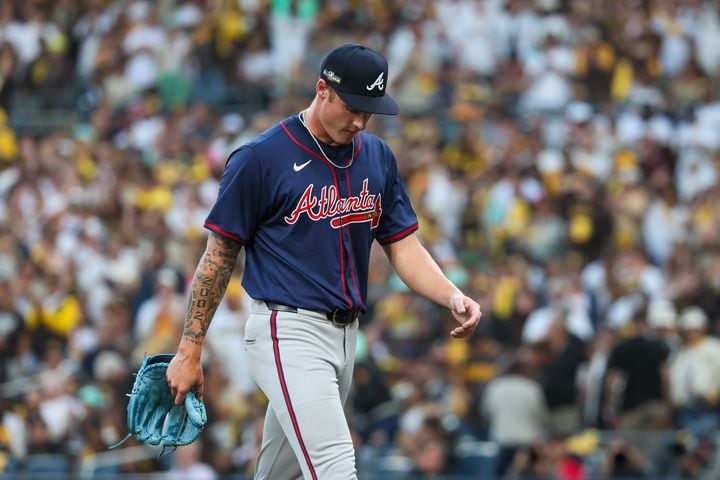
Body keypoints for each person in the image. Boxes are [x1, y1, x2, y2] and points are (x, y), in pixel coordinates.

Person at [166, 43, 482, 480]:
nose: (359, 121)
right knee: (336, 467)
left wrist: (451, 294)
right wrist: (189, 350)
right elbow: (218, 256)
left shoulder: (376, 156)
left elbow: (403, 246)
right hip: (287, 331)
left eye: (368, 112)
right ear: (322, 90)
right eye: (352, 107)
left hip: (346, 337)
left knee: (280, 474)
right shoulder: (260, 158)